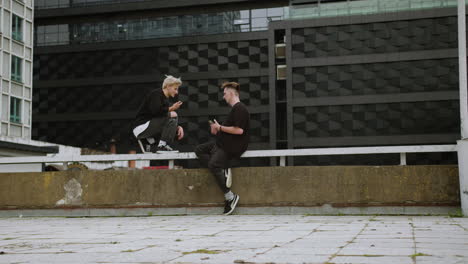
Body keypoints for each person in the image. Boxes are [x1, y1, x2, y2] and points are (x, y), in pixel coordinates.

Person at [195, 82, 250, 215]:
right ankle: (223, 168)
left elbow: (239, 131)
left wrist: (220, 127)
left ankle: (230, 197)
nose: (223, 97)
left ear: (231, 93)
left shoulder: (240, 108)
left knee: (213, 165)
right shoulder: (234, 109)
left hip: (230, 147)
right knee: (199, 150)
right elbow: (229, 130)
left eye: (225, 94)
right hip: (221, 143)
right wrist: (217, 130)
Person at [133, 75, 184, 153]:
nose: (176, 92)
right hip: (141, 127)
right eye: (175, 89)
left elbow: (163, 117)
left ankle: (149, 142)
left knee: (174, 122)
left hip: (149, 126)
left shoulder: (165, 99)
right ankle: (161, 146)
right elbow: (156, 111)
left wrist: (177, 127)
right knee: (173, 115)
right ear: (168, 86)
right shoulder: (156, 94)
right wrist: (172, 109)